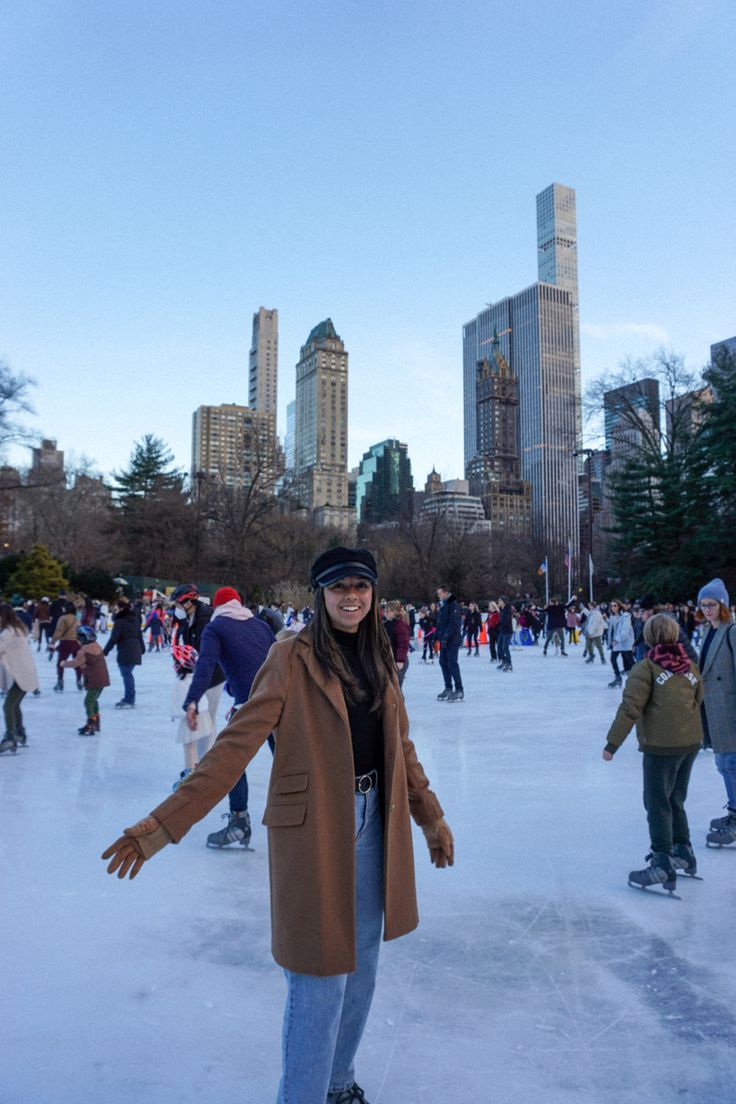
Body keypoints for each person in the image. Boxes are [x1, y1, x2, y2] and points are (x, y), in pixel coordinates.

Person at [102, 546, 453, 1104]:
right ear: (321, 595)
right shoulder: (291, 655)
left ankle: (338, 1083)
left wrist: (429, 817)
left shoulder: (379, 651)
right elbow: (237, 743)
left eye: (361, 586)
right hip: (315, 825)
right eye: (339, 587)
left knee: (361, 967)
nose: (352, 597)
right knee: (318, 978)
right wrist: (163, 826)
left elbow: (400, 746)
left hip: (375, 822)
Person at [602, 613, 703, 893]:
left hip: (662, 746)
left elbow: (630, 708)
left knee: (657, 802)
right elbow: (699, 699)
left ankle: (662, 863)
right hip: (690, 743)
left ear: (648, 637)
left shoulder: (646, 668)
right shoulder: (689, 665)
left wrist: (612, 744)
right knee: (675, 799)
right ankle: (683, 852)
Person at [181, 585, 275, 849]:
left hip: (251, 706)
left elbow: (205, 666)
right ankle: (309, 822)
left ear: (218, 606)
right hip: (280, 701)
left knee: (232, 762)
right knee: (288, 764)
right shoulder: (260, 626)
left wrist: (191, 701)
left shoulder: (216, 627)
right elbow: (281, 661)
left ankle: (239, 822)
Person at [695, 579, 736, 847]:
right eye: (703, 605)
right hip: (713, 707)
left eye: (712, 604)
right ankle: (733, 810)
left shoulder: (731, 631)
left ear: (723, 605)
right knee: (723, 764)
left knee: (730, 764)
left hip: (729, 707)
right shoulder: (709, 630)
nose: (707, 609)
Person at [0, 604, 40, 753]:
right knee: (14, 705)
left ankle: (10, 737)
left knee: (7, 706)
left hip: (19, 675)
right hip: (24, 672)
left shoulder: (8, 633)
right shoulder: (18, 630)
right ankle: (19, 733)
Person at [62, 625, 111, 734]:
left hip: (94, 679)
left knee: (88, 701)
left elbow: (76, 662)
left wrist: (64, 663)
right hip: (102, 679)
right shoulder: (97, 646)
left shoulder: (83, 651)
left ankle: (91, 724)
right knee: (93, 700)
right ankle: (96, 721)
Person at [103, 597, 145, 708]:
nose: (115, 610)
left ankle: (129, 699)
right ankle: (129, 698)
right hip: (134, 648)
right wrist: (142, 648)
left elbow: (114, 638)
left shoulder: (120, 621)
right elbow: (139, 634)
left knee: (127, 674)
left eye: (116, 608)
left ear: (121, 609)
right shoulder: (135, 619)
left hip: (126, 650)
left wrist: (105, 651)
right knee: (127, 673)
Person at [435, 584, 464, 701]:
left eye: (440, 593)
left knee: (452, 664)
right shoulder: (443, 605)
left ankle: (459, 690)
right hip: (444, 640)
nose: (439, 595)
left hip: (452, 640)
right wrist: (437, 636)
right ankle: (448, 687)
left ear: (446, 593)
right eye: (438, 593)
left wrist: (446, 636)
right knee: (443, 662)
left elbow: (454, 623)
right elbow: (440, 623)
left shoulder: (454, 605)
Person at [49, 601, 82, 692]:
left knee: (61, 663)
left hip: (66, 642)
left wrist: (52, 643)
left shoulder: (63, 618)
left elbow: (58, 631)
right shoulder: (77, 618)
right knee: (77, 662)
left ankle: (60, 682)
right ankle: (79, 681)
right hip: (76, 643)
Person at [383, 600, 410, 690]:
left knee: (396, 689)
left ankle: (399, 704)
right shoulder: (386, 624)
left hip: (398, 661)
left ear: (395, 612)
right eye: (385, 611)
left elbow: (403, 643)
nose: (385, 613)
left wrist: (400, 660)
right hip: (389, 660)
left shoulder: (400, 625)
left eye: (388, 611)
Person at [607, 599, 635, 688]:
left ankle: (638, 678)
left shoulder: (625, 616)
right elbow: (611, 631)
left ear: (619, 606)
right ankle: (618, 678)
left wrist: (617, 640)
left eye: (615, 605)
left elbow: (625, 631)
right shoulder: (612, 617)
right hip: (617, 643)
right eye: (611, 606)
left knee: (630, 662)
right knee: (613, 659)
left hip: (624, 642)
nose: (613, 608)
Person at [583, 601, 607, 665]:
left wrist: (591, 632)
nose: (589, 606)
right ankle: (591, 656)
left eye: (589, 605)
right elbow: (588, 619)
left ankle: (602, 658)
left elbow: (595, 624)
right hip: (589, 632)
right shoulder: (591, 612)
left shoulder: (597, 613)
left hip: (596, 633)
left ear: (592, 606)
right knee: (588, 645)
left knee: (599, 646)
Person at [496, 596, 513, 672]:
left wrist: (498, 624)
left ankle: (509, 664)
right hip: (502, 631)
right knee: (499, 647)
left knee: (505, 648)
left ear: (504, 601)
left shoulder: (507, 609)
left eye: (499, 601)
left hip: (507, 631)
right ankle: (504, 661)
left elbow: (505, 621)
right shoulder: (501, 609)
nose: (498, 602)